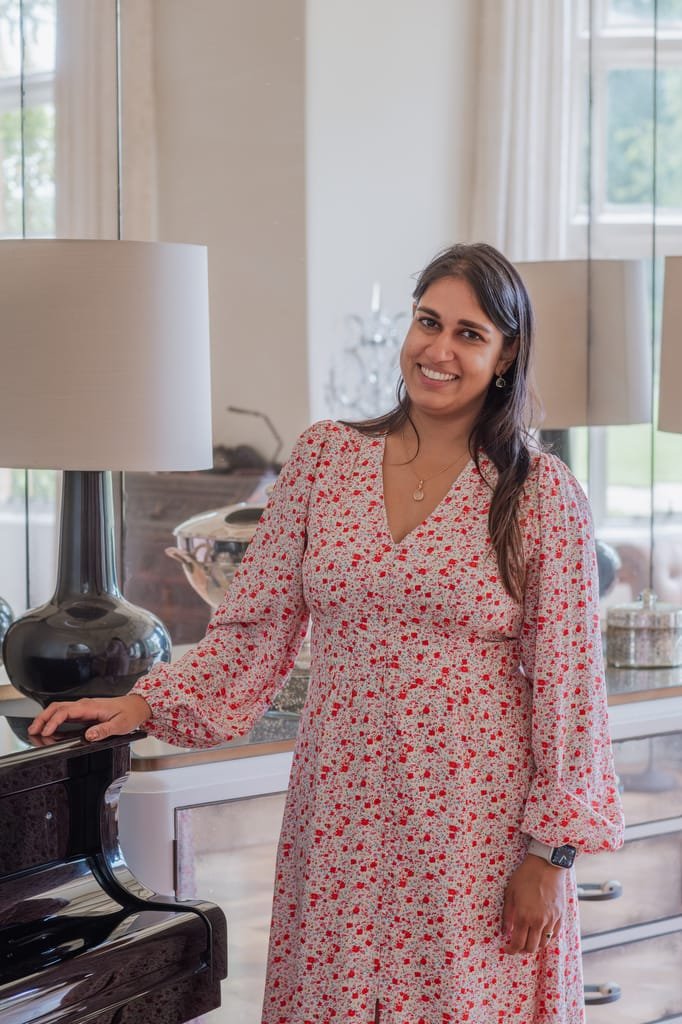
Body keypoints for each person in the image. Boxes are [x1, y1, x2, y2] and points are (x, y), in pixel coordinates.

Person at [30, 242, 624, 1024]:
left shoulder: (540, 495)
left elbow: (571, 689)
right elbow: (255, 630)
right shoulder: (325, 460)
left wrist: (551, 857)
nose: (438, 351)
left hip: (474, 829)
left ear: (507, 353)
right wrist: (140, 707)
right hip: (339, 812)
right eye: (427, 322)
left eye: (469, 334)